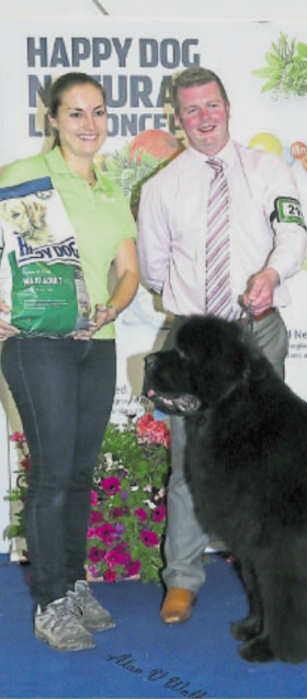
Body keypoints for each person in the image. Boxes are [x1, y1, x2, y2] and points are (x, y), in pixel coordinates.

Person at [137, 67, 307, 624]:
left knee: (265, 457)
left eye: (211, 105)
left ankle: (272, 564)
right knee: (190, 461)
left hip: (257, 332)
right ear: (178, 118)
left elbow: (294, 233)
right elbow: (156, 272)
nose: (203, 118)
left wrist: (272, 274)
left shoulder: (269, 169)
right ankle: (182, 578)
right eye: (191, 110)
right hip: (193, 346)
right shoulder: (161, 188)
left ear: (228, 107)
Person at [0, 73, 139, 649]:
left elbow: (129, 270)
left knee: (80, 474)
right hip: (36, 343)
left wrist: (113, 306)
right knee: (54, 472)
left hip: (95, 344)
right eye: (75, 113)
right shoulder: (23, 178)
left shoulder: (111, 187)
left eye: (98, 112)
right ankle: (51, 601)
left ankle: (75, 582)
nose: (89, 124)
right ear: (51, 120)